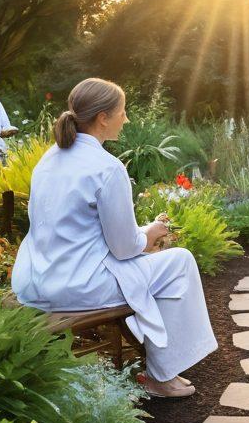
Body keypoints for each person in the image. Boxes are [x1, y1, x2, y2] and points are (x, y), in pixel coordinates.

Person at [11, 78, 216, 399]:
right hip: (78, 286)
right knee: (180, 262)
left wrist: (142, 237)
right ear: (103, 118)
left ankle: (159, 363)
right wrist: (150, 233)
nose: (127, 118)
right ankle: (162, 375)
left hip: (33, 282)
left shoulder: (48, 160)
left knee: (150, 267)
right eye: (123, 112)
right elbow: (123, 248)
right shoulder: (108, 168)